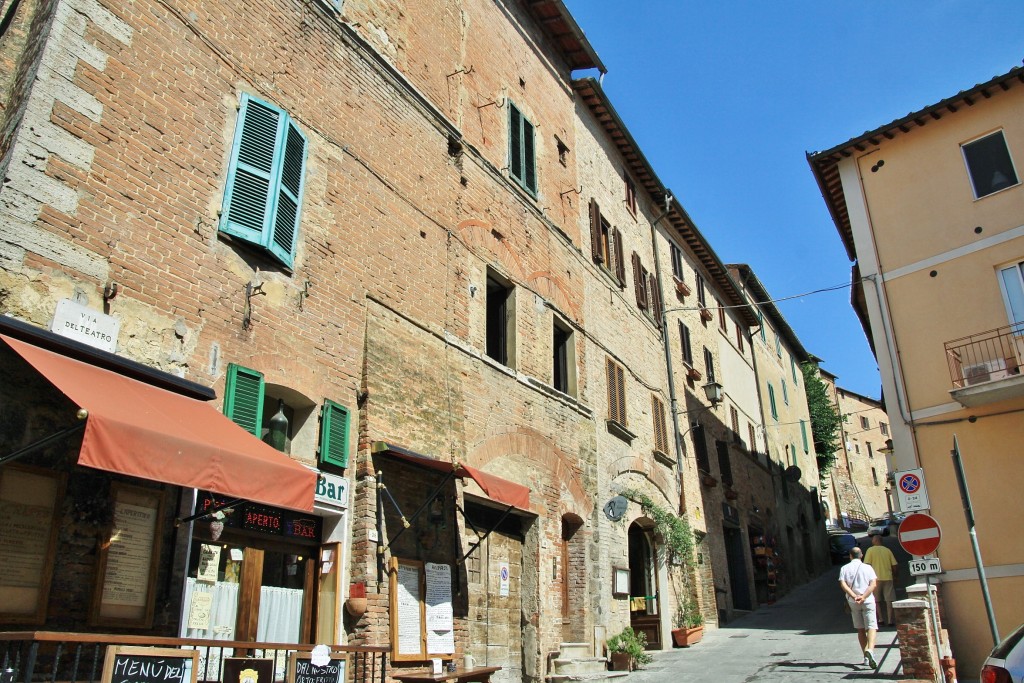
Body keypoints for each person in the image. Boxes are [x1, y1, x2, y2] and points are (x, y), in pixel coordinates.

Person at [839, 546, 879, 668]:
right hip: (868, 601)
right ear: (861, 555)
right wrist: (864, 596)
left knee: (860, 629)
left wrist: (854, 596)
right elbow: (873, 584)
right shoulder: (868, 567)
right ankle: (870, 650)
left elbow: (843, 584)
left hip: (853, 602)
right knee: (871, 627)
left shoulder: (844, 568)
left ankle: (865, 657)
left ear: (850, 556)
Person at [864, 533, 899, 626]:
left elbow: (867, 565)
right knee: (889, 600)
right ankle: (890, 620)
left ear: (875, 541)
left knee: (876, 600)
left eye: (872, 540)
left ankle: (880, 619)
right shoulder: (887, 550)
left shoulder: (870, 550)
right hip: (888, 577)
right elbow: (894, 565)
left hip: (875, 579)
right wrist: (895, 576)